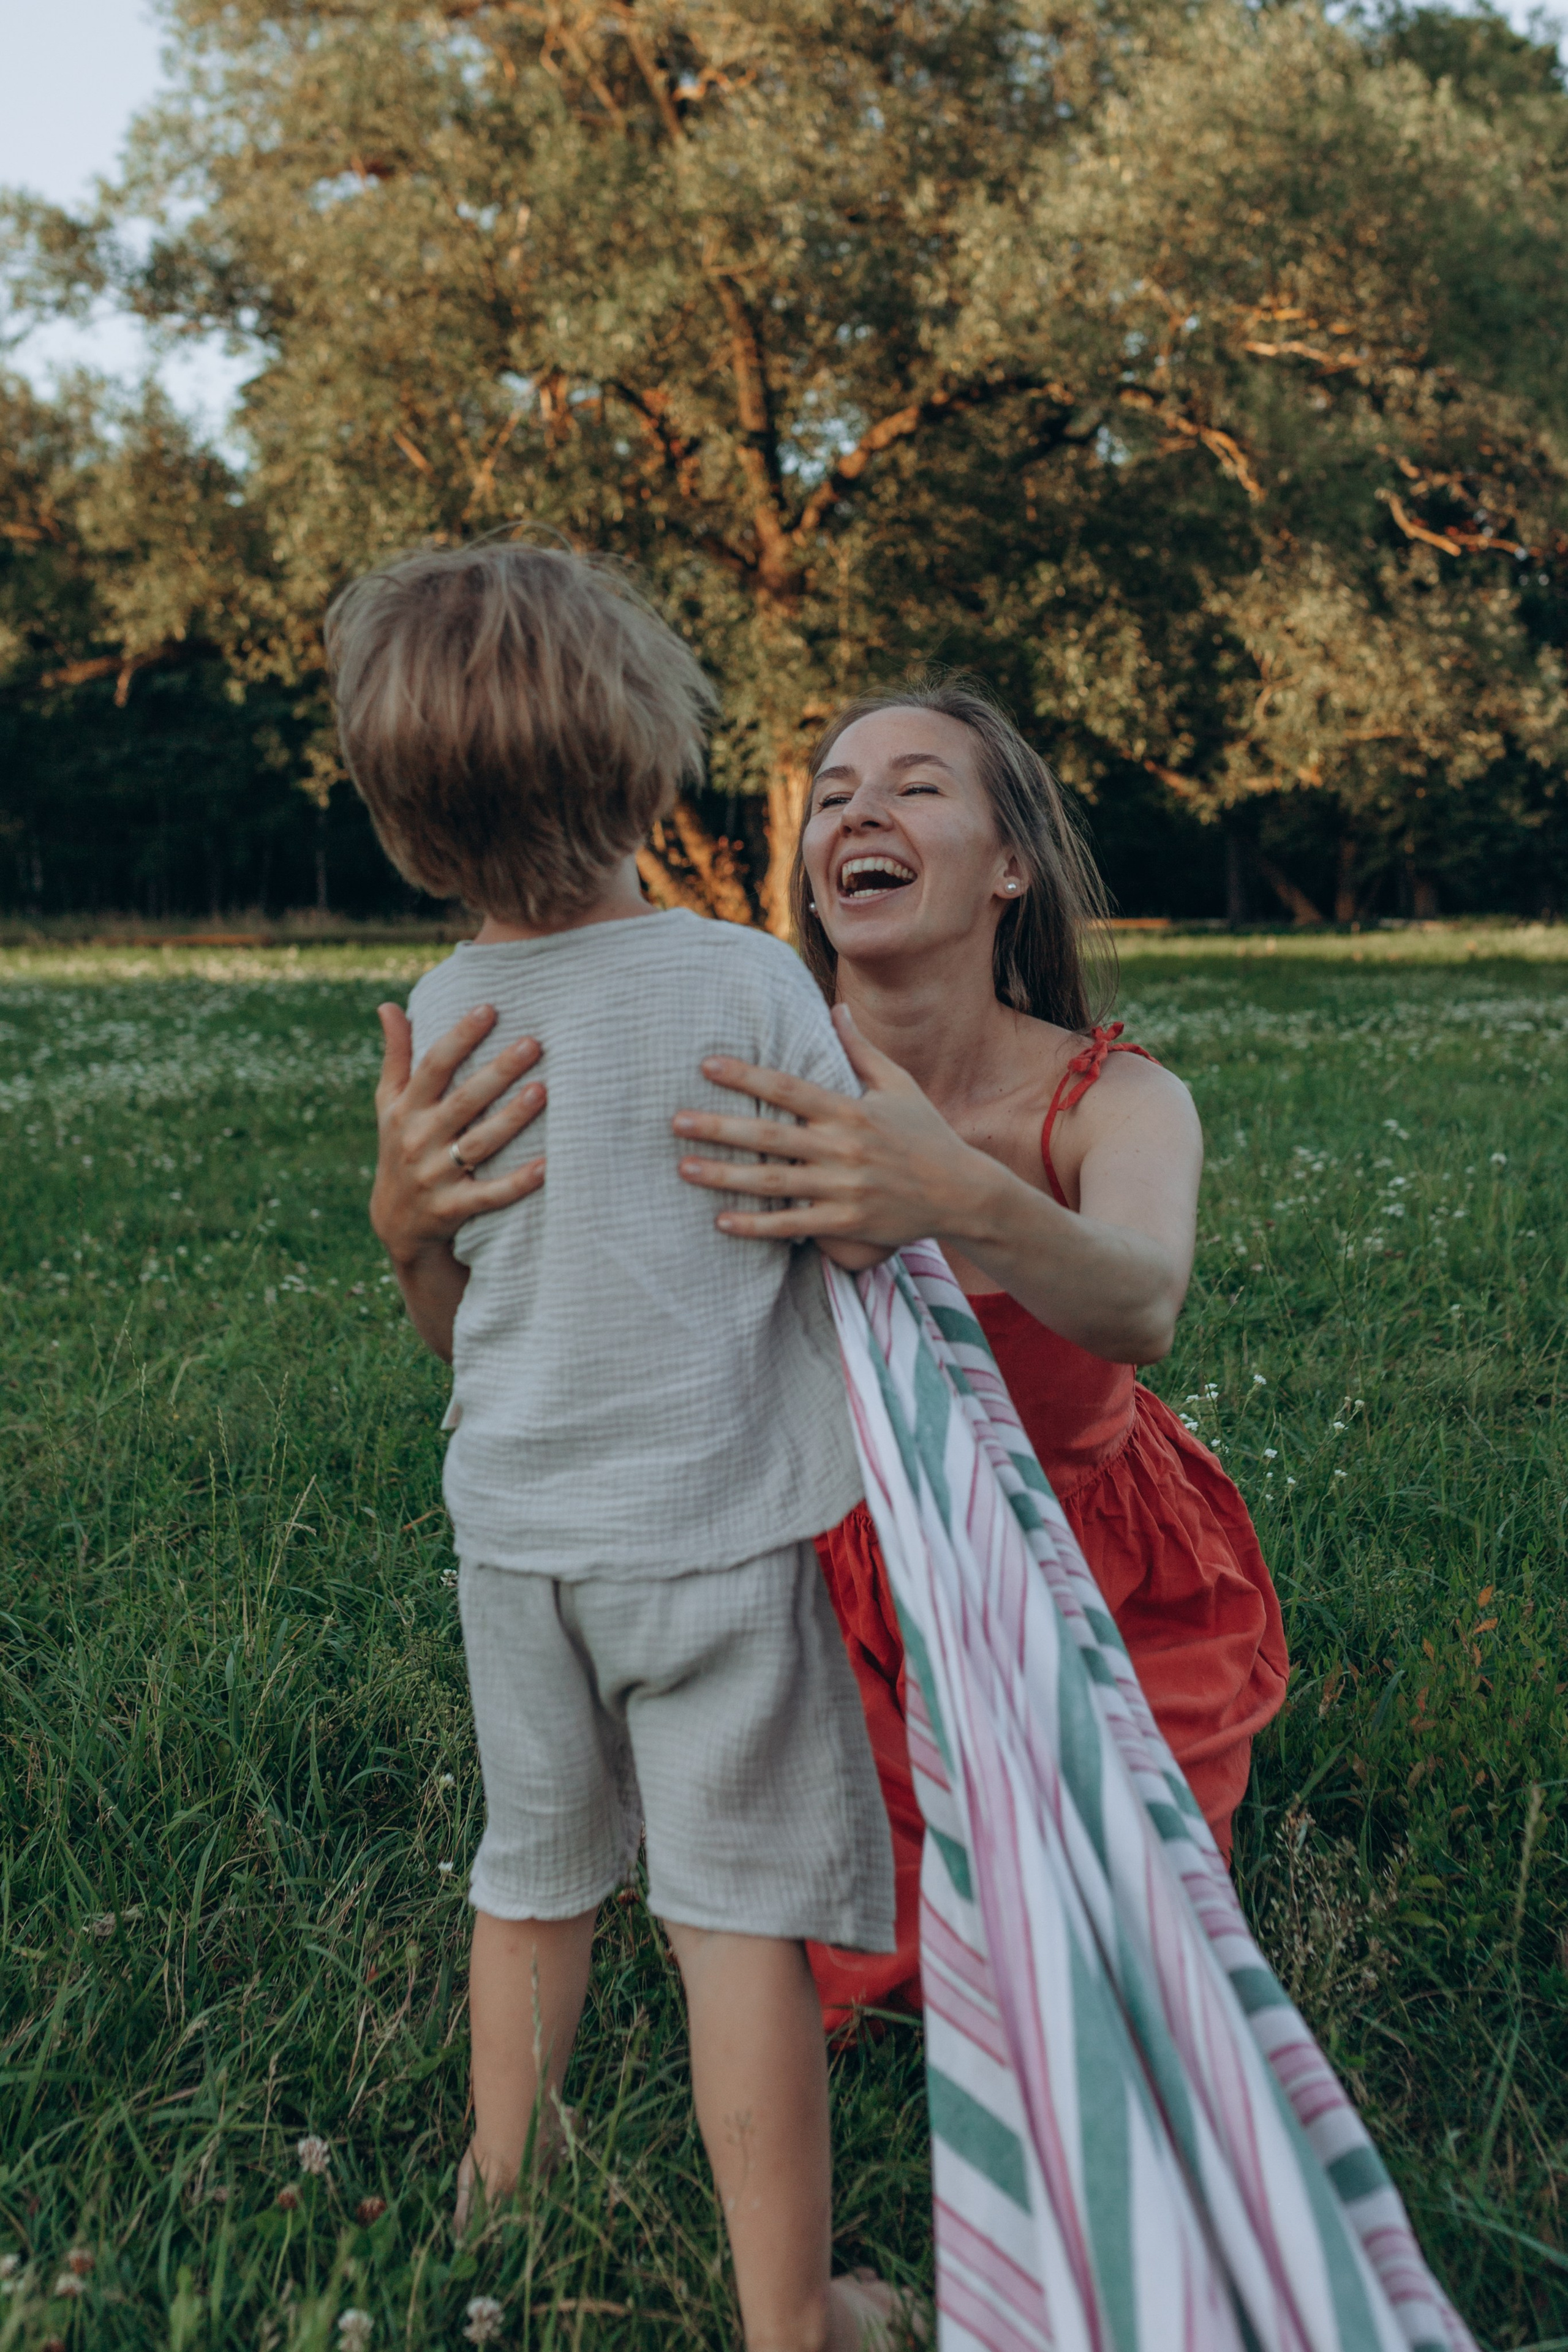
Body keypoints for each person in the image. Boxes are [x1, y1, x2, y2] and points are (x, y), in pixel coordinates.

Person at [370, 676, 1289, 2038]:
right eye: (838, 792)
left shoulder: (1118, 1100)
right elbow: (512, 1342)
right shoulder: (728, 1051)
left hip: (1078, 1577)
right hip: (827, 1578)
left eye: (917, 785)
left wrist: (950, 1193)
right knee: (841, 1972)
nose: (861, 808)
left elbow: (1138, 1306)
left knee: (1106, 1979)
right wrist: (407, 1234)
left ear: (1012, 866)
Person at [330, 540, 903, 2352]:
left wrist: (415, 1237)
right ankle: (791, 2310)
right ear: (648, 757)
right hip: (723, 1536)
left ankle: (496, 2206)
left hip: (516, 1543)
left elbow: (455, 1323)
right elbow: (862, 1222)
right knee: (733, 1923)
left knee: (533, 1879)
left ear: (406, 816)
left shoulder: (439, 1020)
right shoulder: (745, 986)